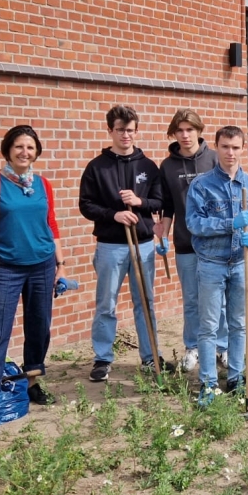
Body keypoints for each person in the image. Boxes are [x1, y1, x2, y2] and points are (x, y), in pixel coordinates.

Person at [0, 125, 66, 437]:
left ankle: (33, 381)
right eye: (19, 147)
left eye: (30, 147)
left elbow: (51, 224)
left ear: (37, 152)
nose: (25, 152)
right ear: (8, 149)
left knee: (39, 326)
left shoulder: (43, 185)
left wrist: (60, 264)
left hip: (42, 265)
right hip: (5, 269)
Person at [79, 105, 172, 383]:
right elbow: (85, 205)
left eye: (130, 130)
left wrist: (139, 202)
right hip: (110, 245)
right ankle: (103, 358)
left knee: (145, 302)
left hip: (143, 245)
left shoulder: (147, 166)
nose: (126, 135)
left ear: (136, 131)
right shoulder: (97, 166)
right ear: (111, 130)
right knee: (106, 303)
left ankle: (150, 355)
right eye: (120, 130)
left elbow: (160, 202)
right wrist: (114, 214)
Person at [185, 125, 248, 407]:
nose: (230, 152)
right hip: (211, 263)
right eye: (225, 147)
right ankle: (208, 383)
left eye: (235, 147)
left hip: (241, 262)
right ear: (216, 148)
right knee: (208, 326)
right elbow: (194, 224)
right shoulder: (201, 185)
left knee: (239, 324)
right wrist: (230, 224)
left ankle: (236, 378)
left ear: (243, 149)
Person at [156, 108, 228, 372]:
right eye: (180, 130)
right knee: (192, 299)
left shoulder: (214, 158)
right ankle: (193, 347)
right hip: (185, 243)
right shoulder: (168, 166)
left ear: (199, 131)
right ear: (174, 133)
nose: (185, 135)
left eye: (190, 129)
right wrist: (162, 232)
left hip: (215, 244)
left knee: (218, 299)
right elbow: (167, 206)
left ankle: (222, 347)